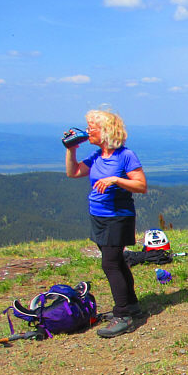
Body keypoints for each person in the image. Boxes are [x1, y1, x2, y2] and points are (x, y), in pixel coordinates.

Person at [65, 109, 148, 338]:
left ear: (106, 131)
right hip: (99, 216)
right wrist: (71, 150)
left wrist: (116, 179)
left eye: (92, 127)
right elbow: (73, 173)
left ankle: (123, 316)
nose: (88, 131)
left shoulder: (125, 156)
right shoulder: (97, 155)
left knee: (109, 264)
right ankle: (131, 306)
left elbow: (141, 186)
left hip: (118, 217)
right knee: (117, 261)